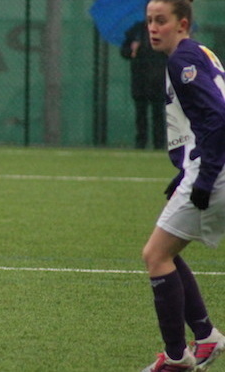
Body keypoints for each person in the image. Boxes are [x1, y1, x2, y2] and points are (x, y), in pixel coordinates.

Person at [142, 0, 225, 371]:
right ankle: (205, 337)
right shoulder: (199, 53)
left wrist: (204, 177)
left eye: (162, 21)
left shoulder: (182, 61)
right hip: (207, 163)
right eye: (149, 21)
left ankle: (177, 357)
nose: (153, 28)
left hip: (216, 169)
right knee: (168, 252)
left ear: (182, 23)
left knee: (155, 255)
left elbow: (217, 118)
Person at [121, 17, 168, 149]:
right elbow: (124, 52)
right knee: (140, 112)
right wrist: (132, 50)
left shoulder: (164, 31)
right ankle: (141, 142)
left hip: (158, 78)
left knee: (158, 112)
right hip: (140, 79)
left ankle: (159, 143)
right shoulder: (136, 31)